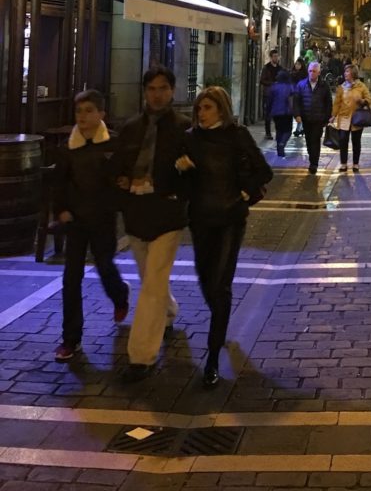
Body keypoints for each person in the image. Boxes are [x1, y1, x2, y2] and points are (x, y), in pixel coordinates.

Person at [176, 86, 273, 387]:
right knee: (206, 281)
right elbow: (183, 184)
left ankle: (212, 356)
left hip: (230, 218)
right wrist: (182, 170)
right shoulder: (191, 139)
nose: (201, 113)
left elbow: (264, 171)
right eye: (199, 109)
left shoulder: (237, 135)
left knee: (221, 285)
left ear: (221, 109)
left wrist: (243, 194)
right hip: (201, 219)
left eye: (207, 108)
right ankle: (221, 321)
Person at [111, 66, 190, 382]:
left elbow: (193, 175)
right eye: (152, 89)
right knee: (150, 279)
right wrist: (123, 183)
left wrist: (176, 192)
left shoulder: (183, 129)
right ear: (145, 92)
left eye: (163, 88)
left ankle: (141, 356)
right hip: (137, 213)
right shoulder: (130, 128)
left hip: (168, 215)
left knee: (154, 281)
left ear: (172, 91)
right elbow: (116, 167)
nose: (157, 94)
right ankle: (169, 312)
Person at [53, 89, 129, 362]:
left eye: (88, 111)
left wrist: (119, 194)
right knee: (71, 278)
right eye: (78, 111)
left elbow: (122, 177)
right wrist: (61, 209)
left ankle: (120, 295)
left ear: (101, 114)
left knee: (105, 266)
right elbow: (58, 183)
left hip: (103, 218)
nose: (82, 116)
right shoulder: (67, 148)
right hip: (75, 220)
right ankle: (71, 339)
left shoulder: (113, 145)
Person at [293, 60, 334, 174]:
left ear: (319, 72)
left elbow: (328, 103)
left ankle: (314, 164)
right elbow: (296, 101)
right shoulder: (301, 85)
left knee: (315, 141)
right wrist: (297, 115)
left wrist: (327, 118)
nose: (312, 73)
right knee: (308, 141)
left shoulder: (324, 86)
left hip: (318, 119)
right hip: (306, 118)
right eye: (310, 71)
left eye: (314, 71)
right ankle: (312, 159)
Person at [330, 63, 371, 173]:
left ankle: (355, 164)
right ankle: (343, 164)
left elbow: (368, 98)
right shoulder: (341, 87)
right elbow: (337, 103)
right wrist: (333, 115)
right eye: (345, 72)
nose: (345, 74)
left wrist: (363, 101)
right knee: (343, 141)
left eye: (347, 72)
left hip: (357, 118)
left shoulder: (361, 86)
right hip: (343, 117)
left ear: (353, 73)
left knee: (356, 141)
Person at [267, 69, 294, 157]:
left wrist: (268, 112)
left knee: (279, 130)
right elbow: (294, 99)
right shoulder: (290, 86)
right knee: (288, 131)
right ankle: (282, 143)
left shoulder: (273, 87)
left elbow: (269, 100)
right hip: (287, 112)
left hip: (276, 112)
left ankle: (279, 150)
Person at [259, 48, 281, 141]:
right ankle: (268, 133)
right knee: (268, 115)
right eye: (274, 56)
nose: (276, 58)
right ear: (271, 57)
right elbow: (262, 80)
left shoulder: (280, 68)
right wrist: (272, 83)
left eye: (277, 56)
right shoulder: (266, 68)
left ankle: (277, 132)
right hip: (268, 94)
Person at [290, 57, 308, 136]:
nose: (297, 65)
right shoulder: (292, 73)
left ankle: (299, 129)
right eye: (296, 64)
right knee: (296, 112)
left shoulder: (303, 74)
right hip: (294, 95)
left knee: (299, 112)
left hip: (301, 95)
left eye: (299, 64)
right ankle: (300, 128)